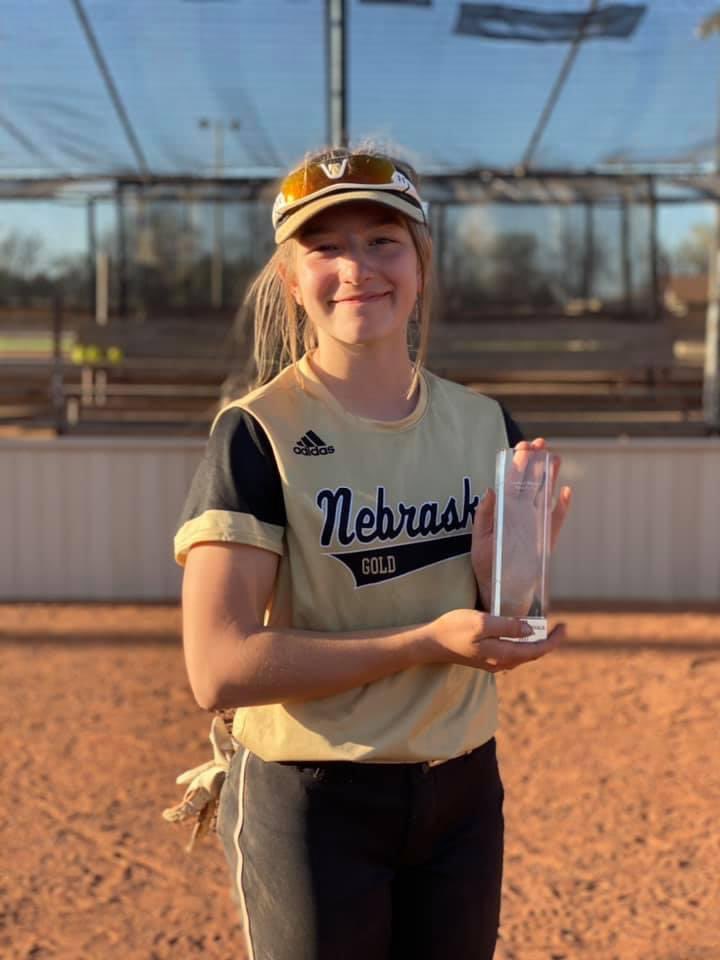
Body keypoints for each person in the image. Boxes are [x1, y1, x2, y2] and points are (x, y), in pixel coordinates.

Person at [168, 145, 573, 960]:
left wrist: (509, 587)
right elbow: (219, 666)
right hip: (313, 801)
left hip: (460, 787)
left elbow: (491, 623)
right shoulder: (257, 433)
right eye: (325, 246)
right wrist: (425, 642)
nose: (357, 267)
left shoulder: (482, 420)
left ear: (420, 262)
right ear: (291, 279)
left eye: (382, 239)